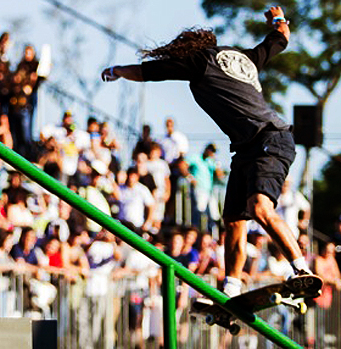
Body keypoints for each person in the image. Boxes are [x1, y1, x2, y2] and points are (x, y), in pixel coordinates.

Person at [101, 6, 320, 297]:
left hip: (270, 140)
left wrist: (117, 71)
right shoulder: (247, 58)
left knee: (259, 208)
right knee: (233, 222)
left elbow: (149, 72)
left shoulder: (199, 60)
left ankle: (301, 269)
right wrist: (278, 19)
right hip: (248, 149)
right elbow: (280, 38)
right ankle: (231, 288)